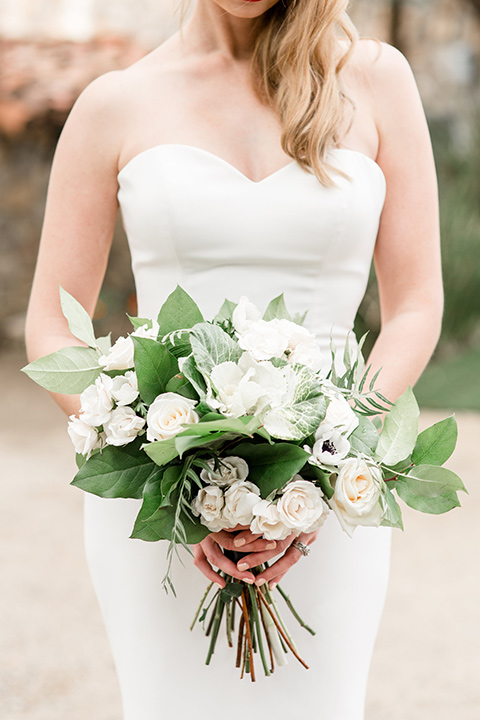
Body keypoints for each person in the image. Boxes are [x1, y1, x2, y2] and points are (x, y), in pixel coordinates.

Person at [25, 0, 443, 717]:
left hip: (327, 504)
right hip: (161, 496)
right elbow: (51, 324)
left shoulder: (375, 80)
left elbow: (414, 305)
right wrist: (165, 458)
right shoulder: (115, 103)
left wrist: (329, 454)